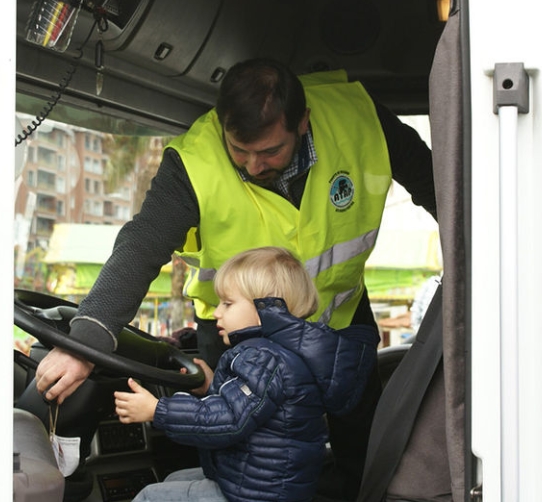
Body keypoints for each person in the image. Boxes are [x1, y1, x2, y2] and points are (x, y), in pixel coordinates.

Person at [35, 57, 437, 499]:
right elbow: (141, 246)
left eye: (269, 151)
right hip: (234, 335)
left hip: (337, 324)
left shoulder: (357, 117)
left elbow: (440, 185)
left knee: (361, 451)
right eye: (238, 148)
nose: (251, 164)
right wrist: (86, 344)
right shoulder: (194, 162)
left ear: (302, 122)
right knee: (231, 456)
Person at [114, 247, 380, 501]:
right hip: (261, 483)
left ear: (266, 310)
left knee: (150, 496)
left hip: (259, 494)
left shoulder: (264, 358)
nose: (217, 312)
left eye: (228, 304)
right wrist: (210, 387)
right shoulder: (274, 353)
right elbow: (251, 406)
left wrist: (157, 410)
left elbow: (229, 420)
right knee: (174, 479)